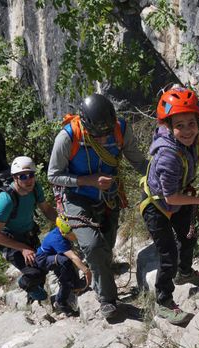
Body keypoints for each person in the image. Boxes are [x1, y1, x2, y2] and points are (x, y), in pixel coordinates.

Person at [48, 93, 148, 319]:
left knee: (105, 246)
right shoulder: (68, 137)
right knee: (93, 246)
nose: (103, 139)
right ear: (85, 124)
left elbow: (138, 161)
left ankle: (99, 272)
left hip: (109, 196)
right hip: (76, 198)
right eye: (97, 134)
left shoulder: (120, 129)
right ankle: (107, 300)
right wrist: (88, 181)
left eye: (106, 133)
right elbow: (53, 175)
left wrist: (159, 176)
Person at [140, 87, 199, 325]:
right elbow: (171, 198)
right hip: (157, 205)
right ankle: (164, 301)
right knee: (168, 254)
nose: (187, 130)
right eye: (180, 125)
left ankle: (185, 271)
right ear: (168, 126)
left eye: (191, 123)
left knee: (189, 235)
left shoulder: (196, 141)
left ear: (198, 121)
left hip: (179, 196)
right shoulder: (167, 155)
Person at [0, 156, 57, 302]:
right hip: (10, 241)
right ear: (15, 178)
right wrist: (23, 248)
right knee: (34, 273)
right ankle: (25, 284)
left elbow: (46, 209)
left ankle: (33, 296)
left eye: (31, 175)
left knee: (42, 265)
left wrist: (63, 222)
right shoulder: (6, 199)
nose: (28, 179)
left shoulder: (35, 188)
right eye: (23, 176)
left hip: (29, 234)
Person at [35, 214, 91, 316]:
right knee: (66, 260)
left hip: (54, 257)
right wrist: (87, 271)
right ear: (64, 232)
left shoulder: (62, 234)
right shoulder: (57, 239)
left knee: (66, 281)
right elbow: (73, 257)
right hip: (43, 259)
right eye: (72, 233)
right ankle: (75, 286)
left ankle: (61, 303)